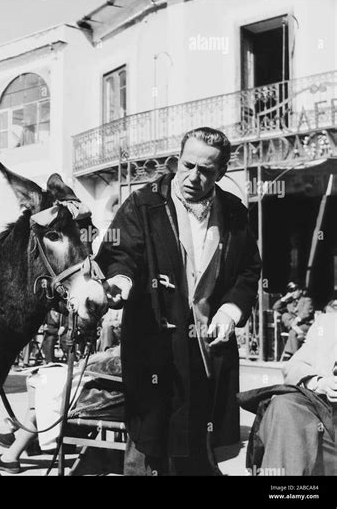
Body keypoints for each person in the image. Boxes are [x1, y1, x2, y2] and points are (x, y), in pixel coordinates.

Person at [96, 127, 262, 476]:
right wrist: (122, 281)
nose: (194, 177)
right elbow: (120, 253)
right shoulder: (145, 204)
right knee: (148, 442)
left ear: (222, 172)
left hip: (207, 348)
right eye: (187, 165)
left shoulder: (233, 211)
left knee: (198, 442)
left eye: (207, 171)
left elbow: (249, 270)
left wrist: (231, 310)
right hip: (156, 345)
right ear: (177, 159)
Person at [0, 347, 123, 474]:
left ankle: (19, 445)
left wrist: (96, 360)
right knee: (38, 378)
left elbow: (115, 367)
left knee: (46, 386)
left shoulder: (139, 345)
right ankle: (23, 439)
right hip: (109, 392)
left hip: (109, 399)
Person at [240, 304, 337, 476]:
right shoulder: (328, 323)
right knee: (284, 406)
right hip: (326, 427)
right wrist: (319, 382)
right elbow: (294, 365)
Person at [273, 281, 314, 360]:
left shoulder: (307, 300)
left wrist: (296, 321)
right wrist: (284, 298)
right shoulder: (289, 302)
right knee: (284, 315)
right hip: (296, 327)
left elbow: (306, 313)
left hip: (306, 325)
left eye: (294, 290)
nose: (293, 293)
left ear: (300, 291)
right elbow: (275, 307)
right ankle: (296, 356)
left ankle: (293, 355)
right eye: (290, 291)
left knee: (292, 332)